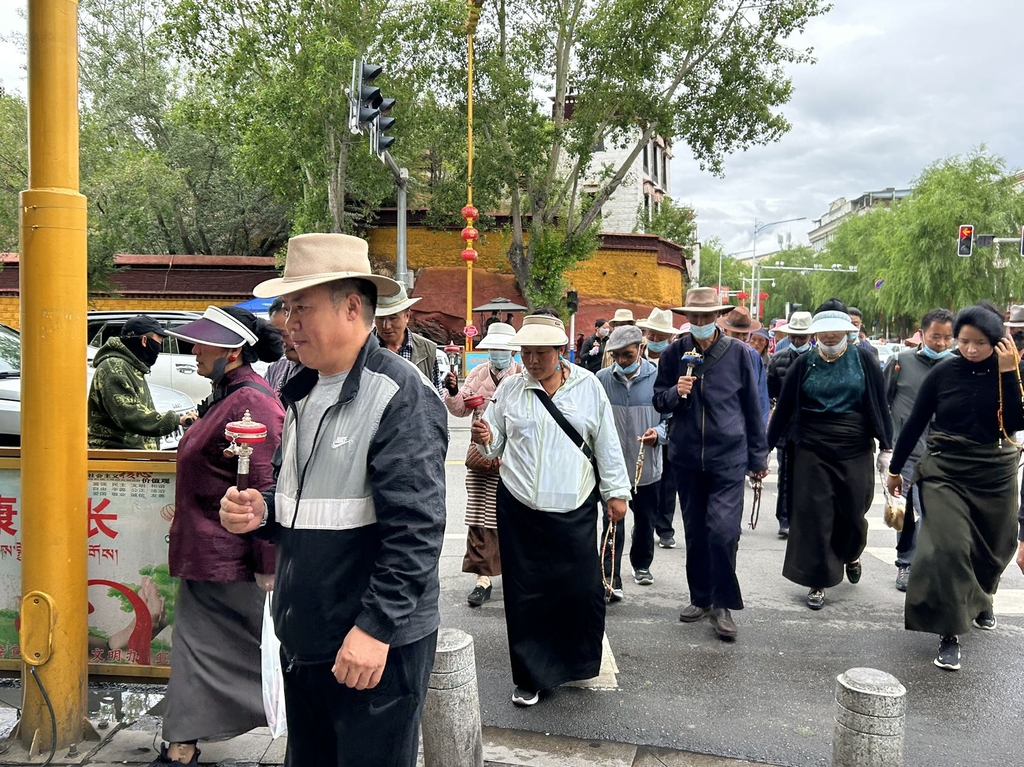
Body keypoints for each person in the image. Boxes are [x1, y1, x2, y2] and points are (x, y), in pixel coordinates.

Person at [219, 233, 448, 766]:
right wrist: (264, 512)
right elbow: (310, 501)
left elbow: (416, 531)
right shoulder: (303, 387)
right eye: (286, 307)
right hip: (310, 633)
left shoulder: (399, 394)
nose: (286, 322)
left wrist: (374, 629)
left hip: (371, 644)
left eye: (302, 307)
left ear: (352, 307)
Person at [470, 314, 630, 707]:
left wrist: (616, 492)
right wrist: (486, 437)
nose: (532, 360)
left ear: (561, 352)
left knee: (578, 589)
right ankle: (530, 676)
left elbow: (606, 442)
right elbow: (493, 445)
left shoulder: (588, 387)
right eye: (526, 352)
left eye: (541, 352)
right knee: (525, 596)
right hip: (519, 505)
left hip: (573, 504)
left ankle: (574, 664)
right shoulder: (510, 388)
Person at [151, 306, 285, 766]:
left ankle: (183, 747)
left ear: (231, 351)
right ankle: (181, 745)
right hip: (208, 555)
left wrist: (267, 564)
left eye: (201, 343)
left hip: (229, 560)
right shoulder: (228, 395)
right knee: (199, 654)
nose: (193, 350)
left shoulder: (252, 404)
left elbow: (265, 488)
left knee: (241, 658)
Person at [887, 304, 1024, 672]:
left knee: (997, 547)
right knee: (948, 548)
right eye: (964, 341)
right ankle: (950, 634)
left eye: (981, 342)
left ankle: (983, 598)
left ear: (998, 342)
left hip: (994, 471)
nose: (971, 349)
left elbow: (1014, 423)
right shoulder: (944, 371)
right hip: (946, 469)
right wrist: (896, 469)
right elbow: (915, 422)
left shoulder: (1008, 371)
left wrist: (1009, 374)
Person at [653, 288, 769, 641]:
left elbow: (753, 406)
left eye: (707, 317)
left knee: (723, 532)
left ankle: (723, 604)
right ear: (687, 318)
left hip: (728, 457)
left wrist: (758, 456)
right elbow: (659, 400)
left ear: (718, 316)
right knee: (696, 532)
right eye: (695, 318)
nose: (701, 324)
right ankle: (700, 597)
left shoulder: (740, 354)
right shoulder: (675, 352)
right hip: (687, 458)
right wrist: (677, 391)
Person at [767, 300, 892, 611]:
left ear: (847, 330)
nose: (831, 335)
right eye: (824, 330)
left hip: (854, 445)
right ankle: (817, 580)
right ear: (815, 332)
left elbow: (879, 403)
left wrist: (888, 448)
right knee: (815, 516)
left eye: (837, 329)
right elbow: (783, 411)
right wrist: (762, 451)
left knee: (853, 513)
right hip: (812, 447)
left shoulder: (864, 359)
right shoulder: (803, 363)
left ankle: (852, 552)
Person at [443, 322, 522, 607]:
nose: (498, 353)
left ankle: (516, 572)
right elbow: (461, 408)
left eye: (503, 348)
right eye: (493, 348)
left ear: (512, 350)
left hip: (513, 458)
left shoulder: (523, 376)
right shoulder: (477, 374)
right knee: (479, 514)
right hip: (479, 454)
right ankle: (482, 577)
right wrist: (452, 392)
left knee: (513, 515)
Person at [879, 309, 955, 592]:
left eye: (948, 337)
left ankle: (930, 565)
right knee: (906, 509)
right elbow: (882, 400)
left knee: (932, 512)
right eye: (936, 336)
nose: (941, 343)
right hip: (906, 450)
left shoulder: (955, 366)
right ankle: (905, 564)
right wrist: (886, 443)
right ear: (922, 334)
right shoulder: (900, 362)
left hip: (941, 452)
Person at [596, 326, 667, 599]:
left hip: (647, 468)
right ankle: (611, 578)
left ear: (641, 348)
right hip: (613, 470)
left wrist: (658, 434)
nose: (622, 361)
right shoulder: (601, 380)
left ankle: (642, 564)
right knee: (612, 523)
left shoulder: (658, 378)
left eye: (628, 355)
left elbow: (671, 419)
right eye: (617, 357)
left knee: (646, 521)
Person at [88, 315, 197, 450]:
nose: (159, 347)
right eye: (159, 341)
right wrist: (177, 420)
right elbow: (130, 415)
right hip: (116, 457)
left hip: (129, 454)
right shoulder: (114, 367)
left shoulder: (131, 367)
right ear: (144, 340)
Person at [636, 308, 683, 548]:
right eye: (651, 335)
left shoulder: (678, 360)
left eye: (660, 336)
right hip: (642, 422)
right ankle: (643, 524)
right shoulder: (636, 357)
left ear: (670, 337)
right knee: (644, 480)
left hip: (670, 422)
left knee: (668, 480)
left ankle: (664, 527)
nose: (655, 340)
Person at [765, 311, 813, 539]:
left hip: (812, 429)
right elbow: (769, 391)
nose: (797, 341)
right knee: (785, 474)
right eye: (794, 337)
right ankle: (784, 519)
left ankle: (804, 519)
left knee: (809, 476)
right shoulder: (779, 358)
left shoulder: (819, 360)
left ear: (811, 336)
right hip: (785, 428)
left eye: (802, 338)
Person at [375, 283, 444, 396]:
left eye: (393, 318)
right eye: (380, 318)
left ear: (407, 316)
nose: (386, 326)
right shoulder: (363, 348)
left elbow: (436, 396)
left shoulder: (427, 350)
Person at [717, 306, 769, 424]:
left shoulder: (754, 357)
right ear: (725, 331)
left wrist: (760, 429)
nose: (741, 338)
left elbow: (761, 397)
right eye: (736, 334)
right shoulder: (714, 355)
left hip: (746, 423)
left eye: (745, 335)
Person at [265, 297, 306, 394]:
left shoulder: (323, 371)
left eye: (285, 335)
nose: (282, 343)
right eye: (276, 335)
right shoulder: (275, 368)